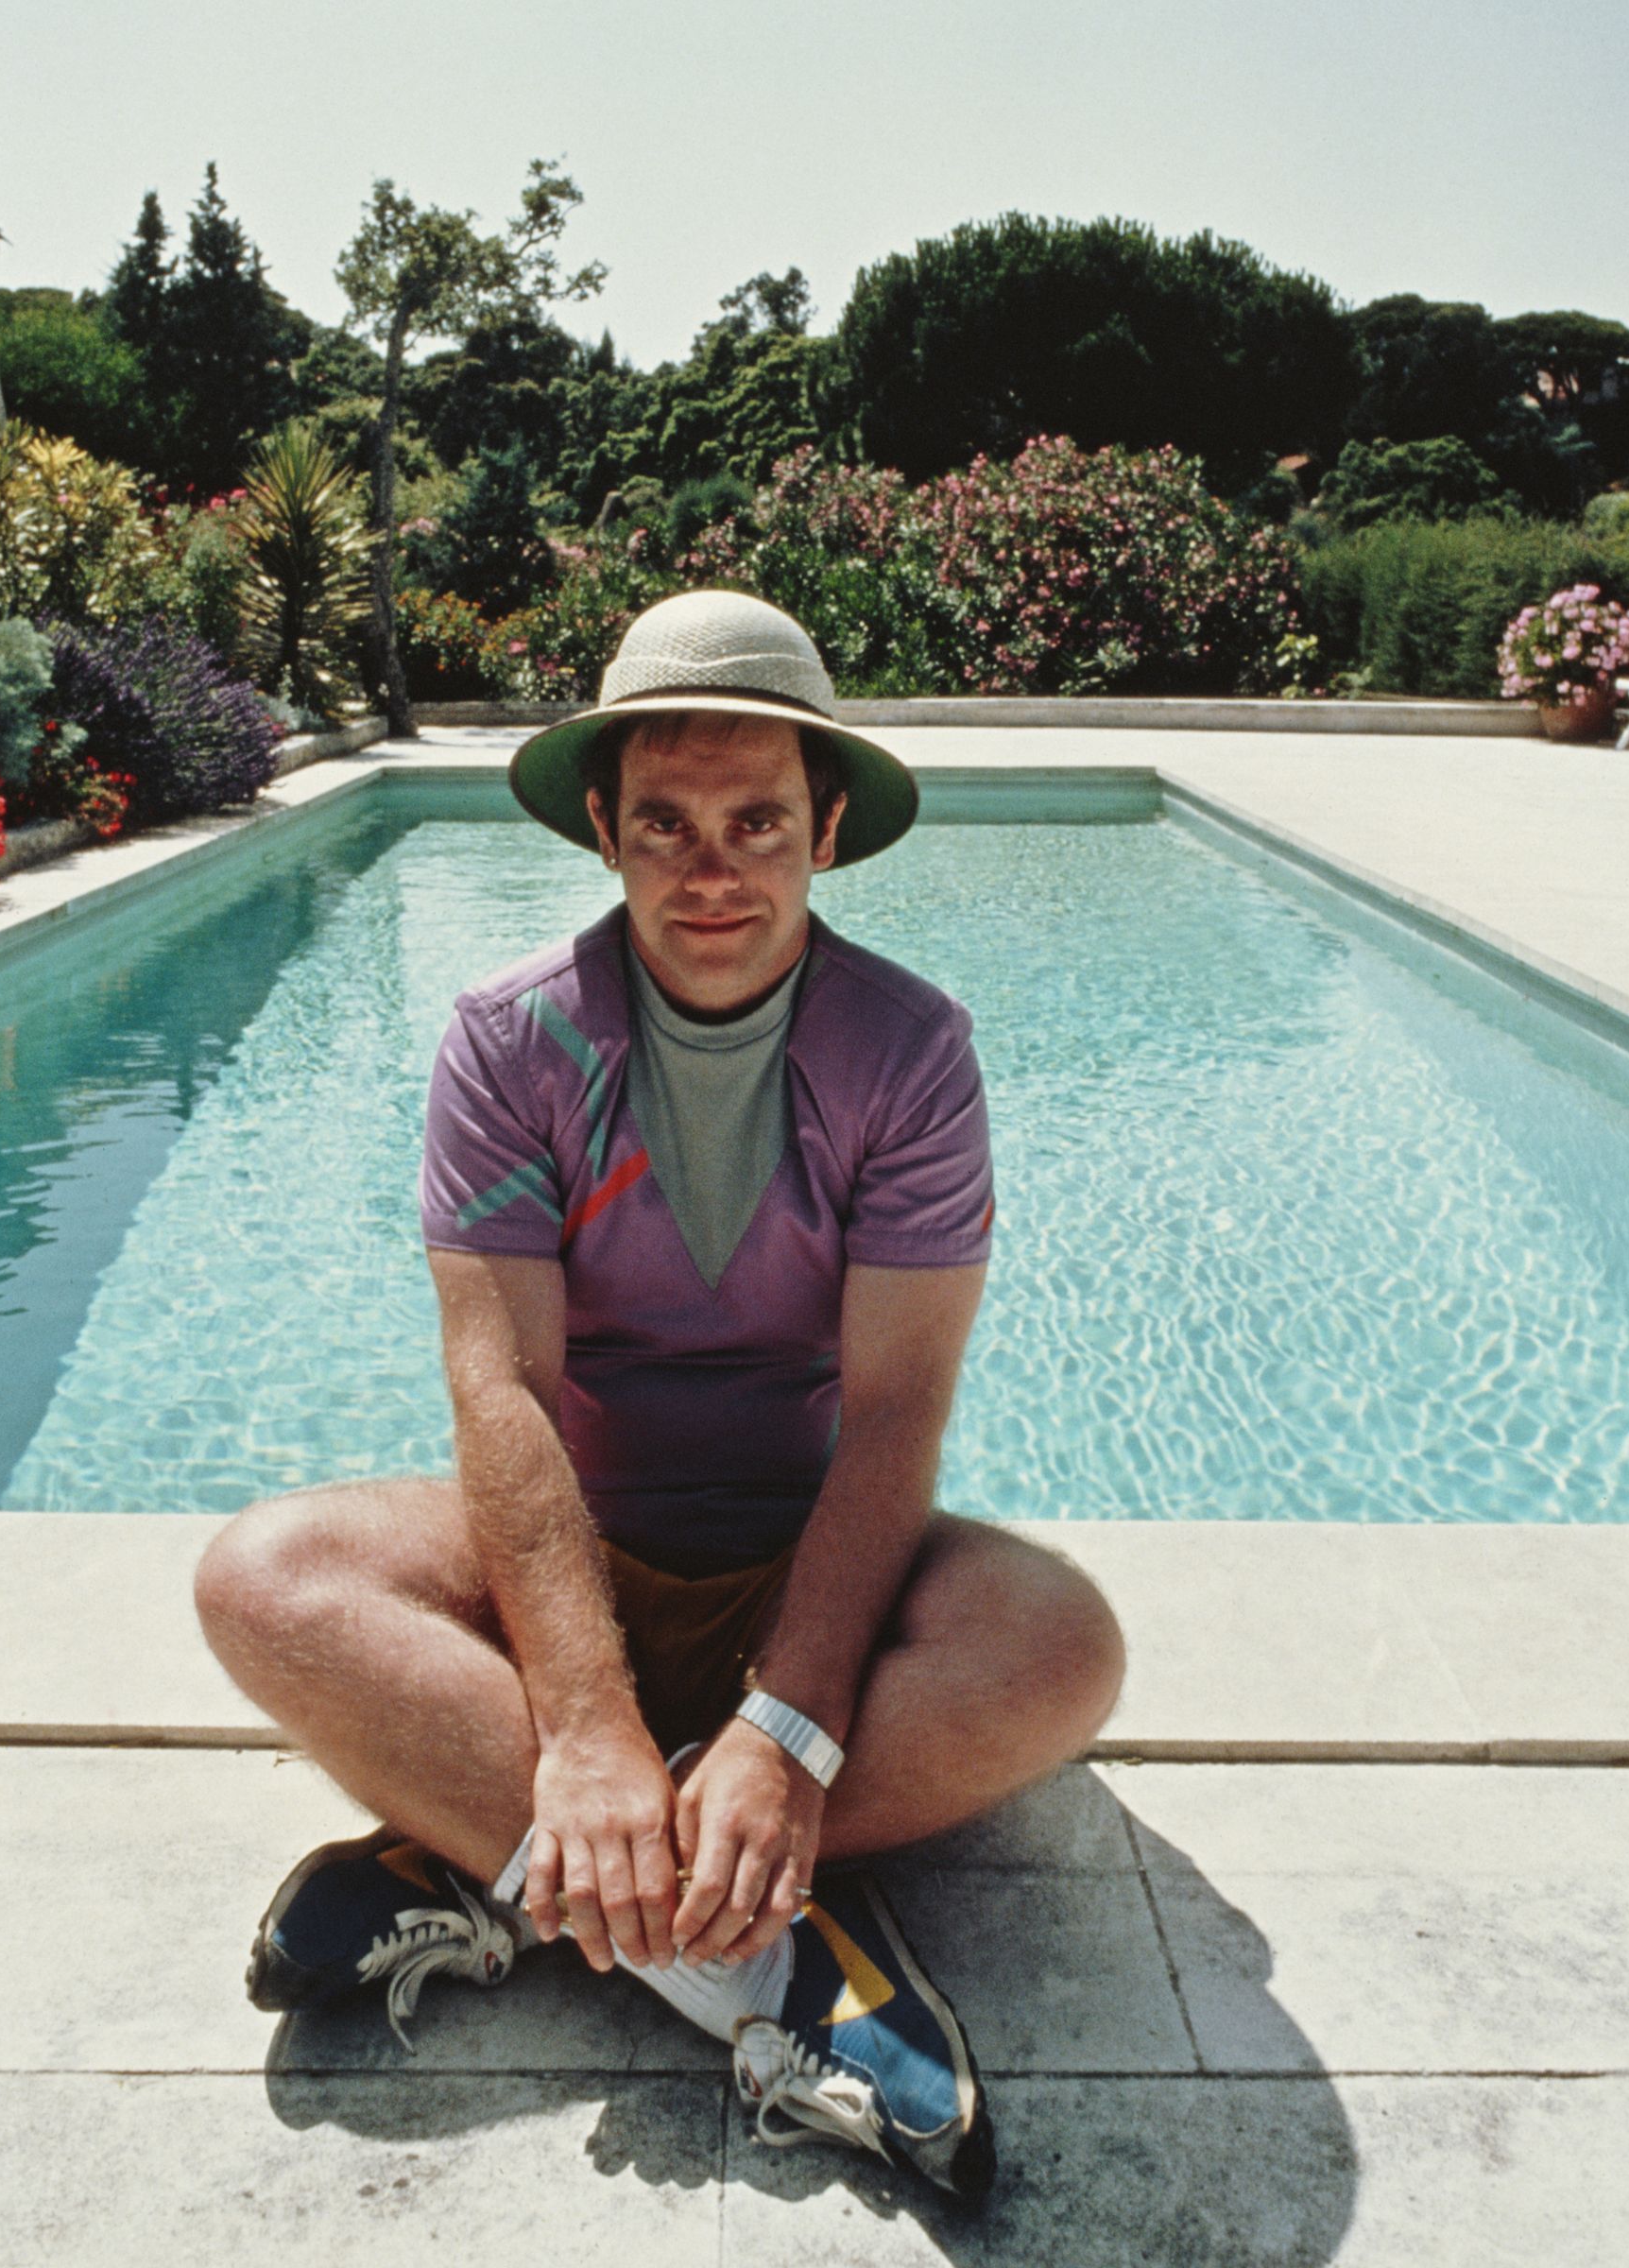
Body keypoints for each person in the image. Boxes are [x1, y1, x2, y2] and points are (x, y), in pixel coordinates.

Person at [194, 590, 1125, 2198]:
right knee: (264, 1580)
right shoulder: (512, 1043)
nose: (711, 870)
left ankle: (500, 1860)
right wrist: (581, 1716)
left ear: (827, 830)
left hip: (801, 1559)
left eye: (757, 821)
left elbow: (897, 1410)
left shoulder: (910, 1051)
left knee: (1063, 1649)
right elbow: (503, 1390)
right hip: (569, 1559)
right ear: (604, 834)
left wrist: (790, 1725)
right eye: (664, 825)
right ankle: (768, 1964)